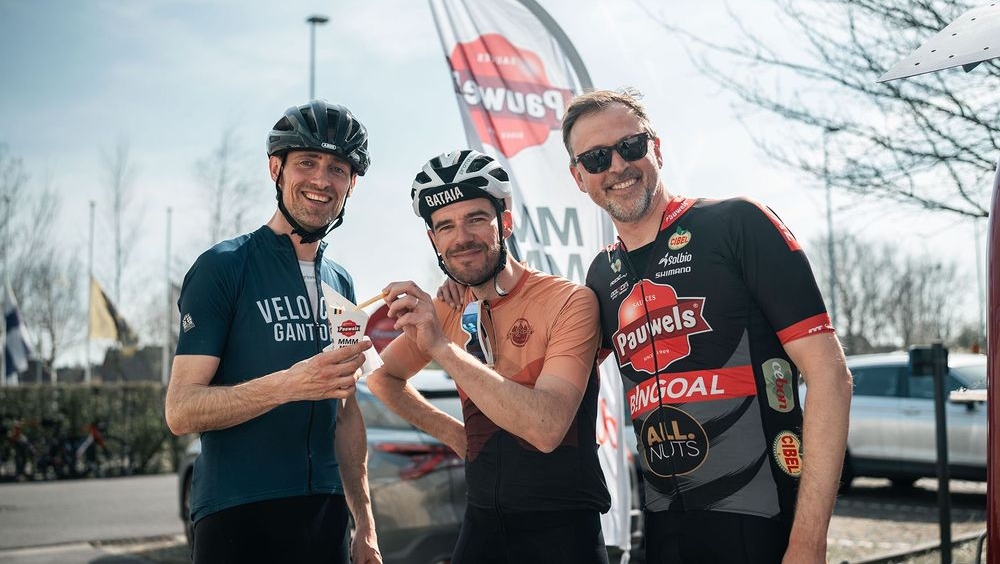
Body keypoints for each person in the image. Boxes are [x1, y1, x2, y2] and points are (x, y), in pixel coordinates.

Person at [562, 88, 853, 564]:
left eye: (630, 147)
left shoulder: (738, 222)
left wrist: (808, 541)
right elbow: (551, 375)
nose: (616, 166)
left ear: (656, 147)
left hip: (762, 521)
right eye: (596, 158)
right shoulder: (600, 275)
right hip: (664, 530)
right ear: (579, 177)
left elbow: (831, 378)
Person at [366, 149, 612, 564]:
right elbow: (382, 380)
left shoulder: (569, 300)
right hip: (481, 525)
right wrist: (456, 436)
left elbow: (546, 427)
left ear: (507, 222)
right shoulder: (446, 308)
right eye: (445, 226)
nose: (461, 237)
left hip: (562, 531)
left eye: (476, 218)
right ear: (434, 241)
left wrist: (442, 349)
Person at [164, 100, 382, 564]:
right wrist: (289, 384)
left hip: (325, 516)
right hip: (237, 513)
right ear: (275, 169)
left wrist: (364, 524)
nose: (322, 180)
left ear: (351, 184)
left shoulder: (342, 282)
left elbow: (345, 414)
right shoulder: (223, 267)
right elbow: (181, 410)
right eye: (307, 162)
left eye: (337, 168)